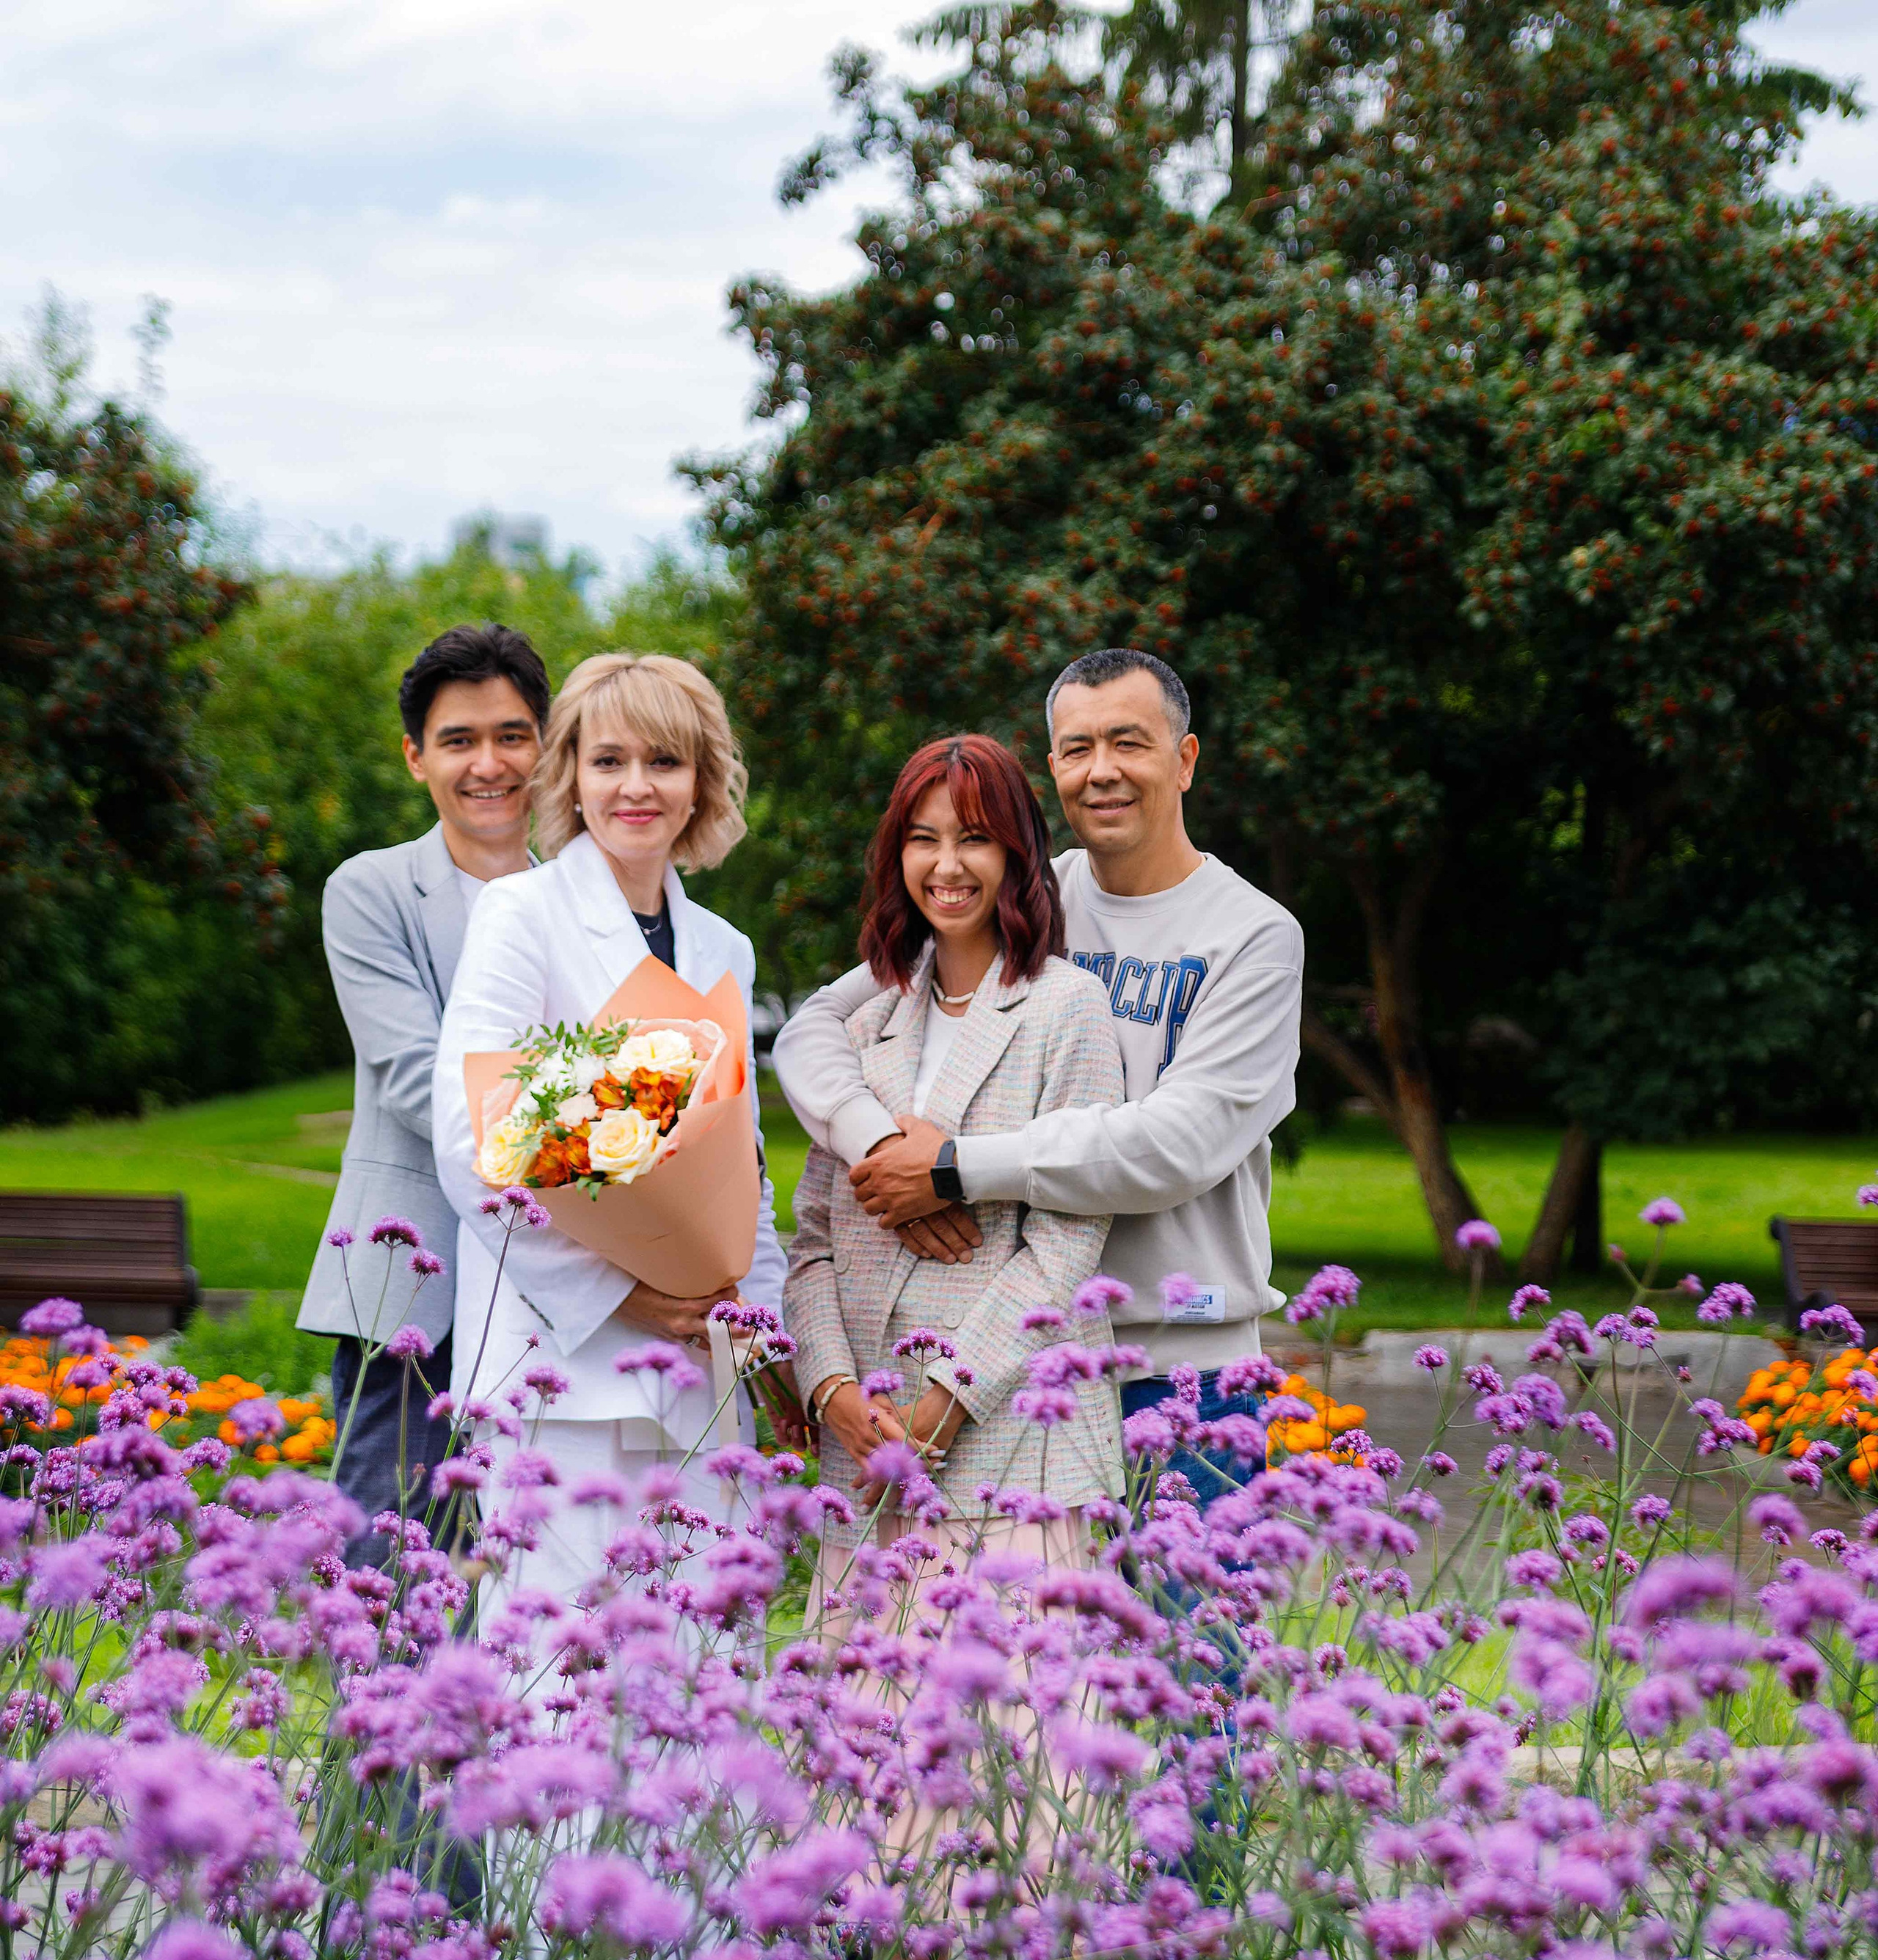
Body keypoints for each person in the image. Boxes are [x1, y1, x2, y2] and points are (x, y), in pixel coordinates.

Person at [772, 648, 1304, 1516]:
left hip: (1180, 1367)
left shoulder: (1250, 936)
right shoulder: (1025, 897)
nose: (1102, 771)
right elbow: (814, 1030)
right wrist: (879, 1144)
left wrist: (951, 1168)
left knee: (1195, 1649)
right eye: (1076, 747)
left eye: (1129, 742)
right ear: (1051, 765)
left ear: (1186, 758)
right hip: (1027, 1364)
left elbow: (1177, 1145)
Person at [431, 652, 788, 1613]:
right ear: (571, 779)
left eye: (665, 763)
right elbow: (477, 1142)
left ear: (702, 783)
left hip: (697, 1382)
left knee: (698, 1677)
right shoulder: (522, 914)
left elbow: (735, 1163)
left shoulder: (725, 949)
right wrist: (621, 1290)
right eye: (610, 761)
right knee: (558, 1683)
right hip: (563, 1379)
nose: (637, 787)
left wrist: (767, 1338)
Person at [782, 734, 1125, 1606]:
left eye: (973, 836)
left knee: (1008, 1739)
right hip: (863, 1461)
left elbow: (1066, 1246)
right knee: (856, 1734)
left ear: (1017, 852)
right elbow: (813, 1242)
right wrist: (831, 1390)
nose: (946, 865)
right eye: (922, 837)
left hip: (1014, 1446)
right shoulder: (864, 1024)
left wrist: (944, 1402)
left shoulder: (1066, 1007)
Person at [299, 623, 549, 1565]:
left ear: (547, 743)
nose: (488, 763)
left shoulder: (594, 890)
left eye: (511, 735)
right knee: (393, 1588)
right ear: (416, 757)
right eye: (458, 740)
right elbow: (416, 1078)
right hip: (416, 1295)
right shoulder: (370, 892)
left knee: (546, 1590)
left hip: (568, 1288)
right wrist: (591, 1146)